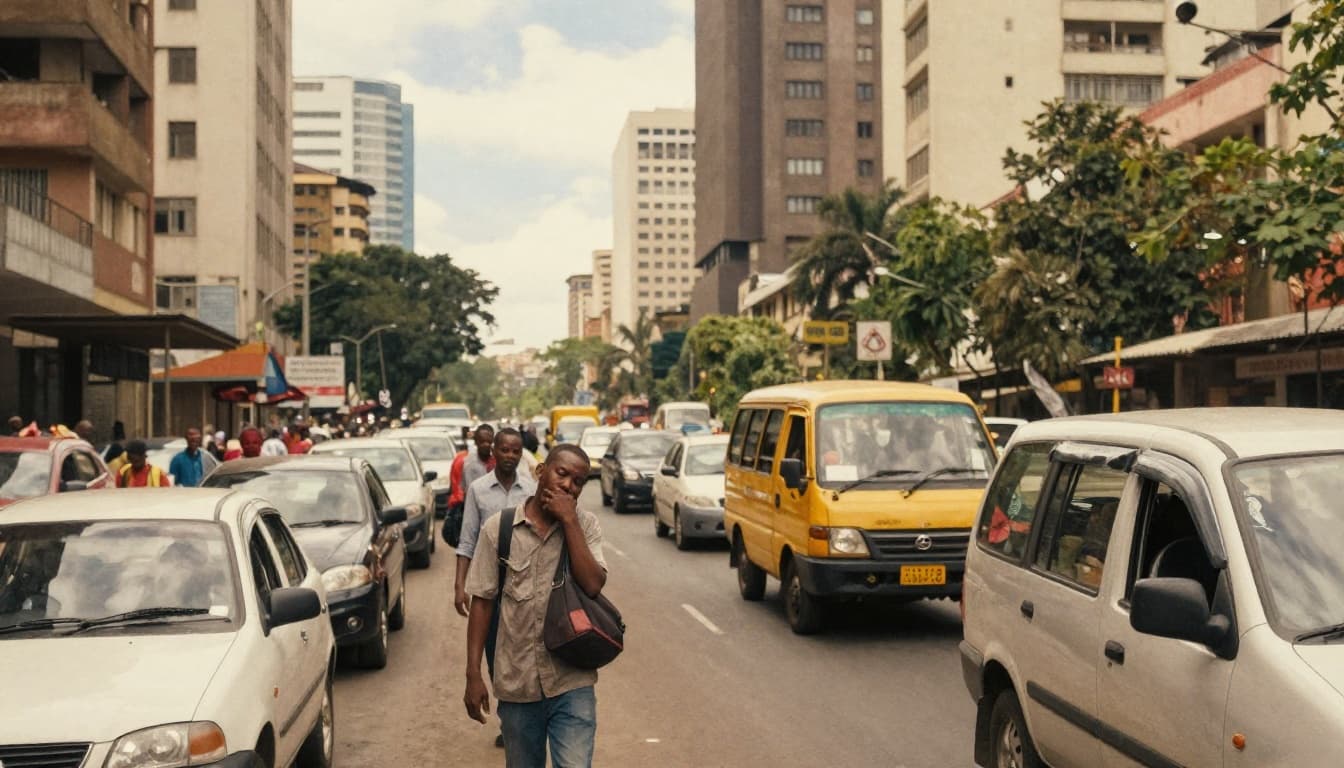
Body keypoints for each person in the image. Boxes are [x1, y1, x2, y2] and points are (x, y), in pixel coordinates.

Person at [463, 444, 606, 767]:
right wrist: (473, 673)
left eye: (578, 481)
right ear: (541, 472)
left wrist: (569, 522)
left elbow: (593, 584)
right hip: (518, 686)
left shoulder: (586, 526)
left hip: (572, 682)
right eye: (562, 473)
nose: (569, 485)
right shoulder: (498, 530)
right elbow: (482, 604)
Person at [455, 428, 537, 749]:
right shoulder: (478, 491)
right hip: (490, 589)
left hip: (525, 588)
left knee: (525, 656)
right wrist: (459, 585)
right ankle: (509, 720)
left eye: (515, 451)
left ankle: (523, 719)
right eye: (504, 450)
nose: (510, 456)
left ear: (520, 454)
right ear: (495, 452)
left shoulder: (531, 489)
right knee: (494, 658)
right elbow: (467, 539)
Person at [463, 424, 496, 492]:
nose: (486, 445)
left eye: (489, 441)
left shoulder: (497, 460)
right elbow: (469, 491)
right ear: (476, 442)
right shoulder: (470, 464)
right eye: (482, 441)